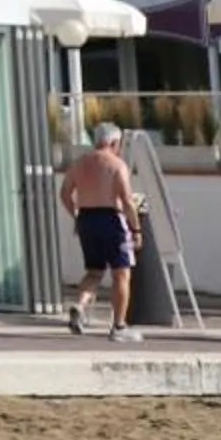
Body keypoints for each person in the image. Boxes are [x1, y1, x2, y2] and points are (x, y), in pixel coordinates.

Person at [61, 120, 145, 340]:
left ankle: (79, 305)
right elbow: (126, 200)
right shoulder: (117, 165)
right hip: (111, 219)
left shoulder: (79, 163)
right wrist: (136, 229)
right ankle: (118, 326)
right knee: (121, 273)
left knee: (94, 271)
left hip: (87, 219)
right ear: (113, 142)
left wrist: (77, 215)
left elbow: (64, 193)